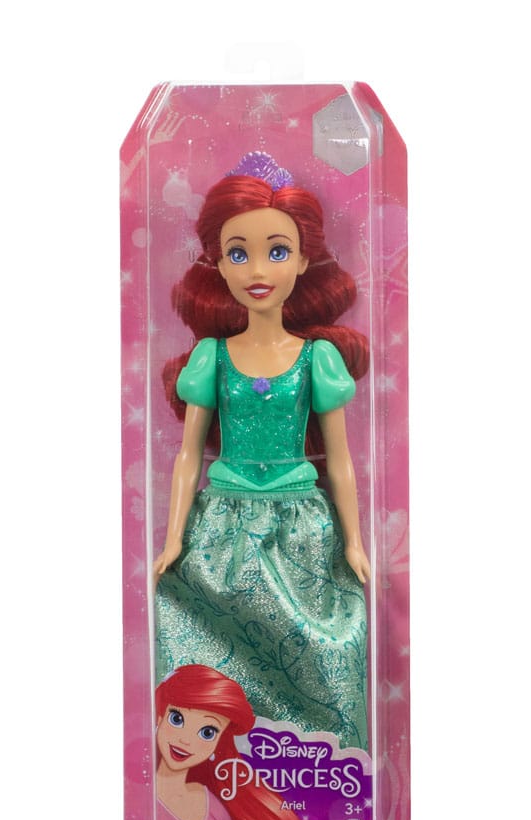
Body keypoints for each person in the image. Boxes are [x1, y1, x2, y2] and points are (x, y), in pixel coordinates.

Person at [153, 153, 370, 751]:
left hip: (301, 523)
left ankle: (321, 760)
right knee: (210, 652)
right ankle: (226, 757)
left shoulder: (317, 358)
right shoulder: (213, 357)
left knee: (327, 646)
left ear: (302, 261)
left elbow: (340, 460)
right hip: (222, 525)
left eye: (277, 251)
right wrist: (173, 539)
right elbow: (189, 458)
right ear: (217, 264)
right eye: (237, 252)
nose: (257, 269)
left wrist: (353, 541)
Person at [155, 664, 314, 820]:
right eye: (177, 719)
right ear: (159, 717)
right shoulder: (144, 800)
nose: (186, 739)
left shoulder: (210, 802)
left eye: (207, 732)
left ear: (219, 741)